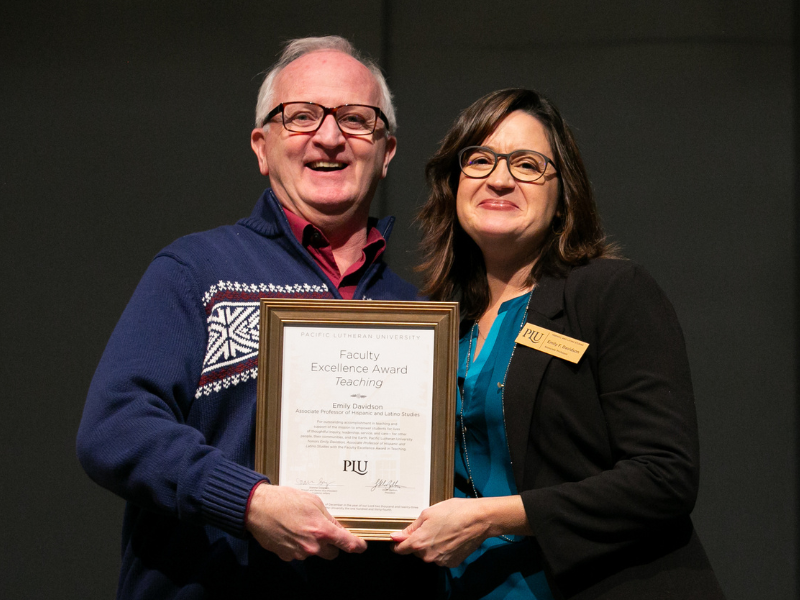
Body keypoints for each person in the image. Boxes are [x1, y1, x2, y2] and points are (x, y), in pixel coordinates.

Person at [77, 36, 435, 599]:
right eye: (301, 116)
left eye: (356, 118)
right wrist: (248, 501)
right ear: (262, 146)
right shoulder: (197, 272)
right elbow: (114, 427)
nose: (330, 135)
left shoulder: (416, 318)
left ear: (387, 151)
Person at [392, 89, 726, 599]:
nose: (499, 178)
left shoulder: (611, 292)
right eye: (479, 159)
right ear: (453, 183)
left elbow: (666, 476)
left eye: (527, 164)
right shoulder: (441, 325)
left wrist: (489, 518)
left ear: (563, 193)